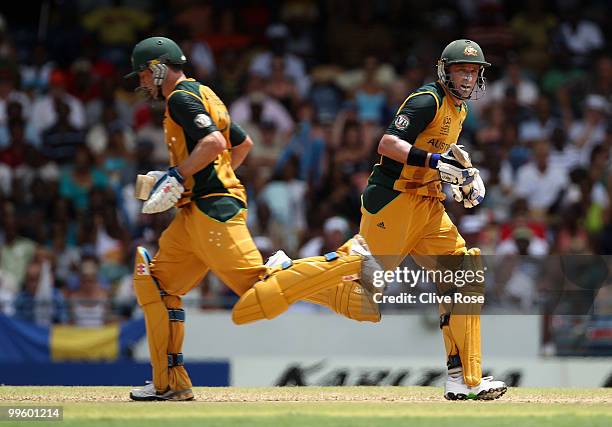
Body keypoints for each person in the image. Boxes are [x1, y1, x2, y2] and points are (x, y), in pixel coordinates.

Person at [124, 37, 380, 402]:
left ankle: (348, 260)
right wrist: (200, 179)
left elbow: (213, 144)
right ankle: (169, 383)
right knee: (158, 286)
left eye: (145, 75)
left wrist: (180, 175)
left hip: (213, 213)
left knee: (259, 290)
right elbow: (240, 146)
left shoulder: (180, 98)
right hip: (195, 212)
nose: (143, 83)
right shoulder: (206, 94)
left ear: (158, 68)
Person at [358, 40, 507, 400]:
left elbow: (443, 155)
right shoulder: (427, 100)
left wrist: (465, 176)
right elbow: (388, 144)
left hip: (427, 207)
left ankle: (464, 380)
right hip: (393, 202)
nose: (468, 77)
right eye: (461, 70)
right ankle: (287, 273)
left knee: (464, 276)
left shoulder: (461, 111)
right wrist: (439, 165)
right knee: (357, 287)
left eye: (473, 71)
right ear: (445, 71)